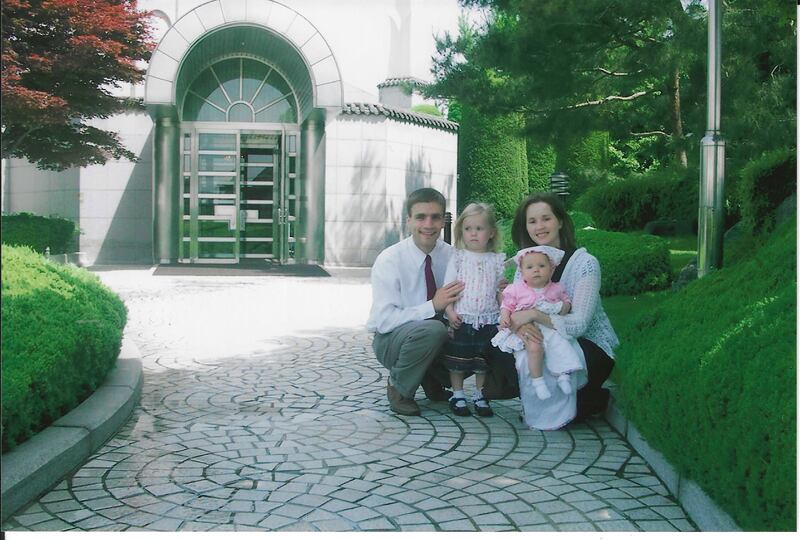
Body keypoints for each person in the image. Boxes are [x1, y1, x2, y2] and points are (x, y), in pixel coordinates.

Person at [483, 192, 619, 425]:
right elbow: (516, 307)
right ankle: (543, 399)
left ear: (560, 221)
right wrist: (519, 326)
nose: (539, 227)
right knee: (500, 348)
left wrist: (535, 315)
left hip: (588, 345)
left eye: (546, 218)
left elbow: (579, 325)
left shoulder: (585, 264)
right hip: (542, 339)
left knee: (575, 413)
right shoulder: (527, 262)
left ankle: (589, 398)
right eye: (532, 221)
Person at [367, 187, 464, 416]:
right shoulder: (390, 260)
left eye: (435, 217)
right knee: (433, 329)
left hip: (437, 334)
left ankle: (430, 379)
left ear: (443, 221)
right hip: (392, 341)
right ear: (409, 220)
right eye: (421, 217)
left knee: (477, 332)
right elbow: (384, 320)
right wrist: (432, 305)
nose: (428, 224)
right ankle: (399, 388)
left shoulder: (453, 256)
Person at [492, 246, 587, 429]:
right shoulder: (517, 289)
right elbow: (507, 305)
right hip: (529, 329)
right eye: (530, 267)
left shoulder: (556, 288)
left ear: (551, 269)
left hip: (550, 327)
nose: (536, 270)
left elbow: (566, 303)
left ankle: (563, 376)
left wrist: (563, 308)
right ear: (522, 272)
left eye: (541, 266)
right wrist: (505, 317)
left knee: (561, 347)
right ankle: (538, 380)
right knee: (535, 349)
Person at [441, 203, 506, 418]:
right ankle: (458, 394)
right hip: (463, 317)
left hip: (488, 319)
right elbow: (448, 289)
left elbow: (499, 291)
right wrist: (450, 312)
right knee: (457, 359)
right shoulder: (458, 258)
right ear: (461, 231)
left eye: (479, 229)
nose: (473, 234)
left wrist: (504, 307)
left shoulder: (496, 260)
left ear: (491, 233)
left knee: (482, 362)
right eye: (468, 229)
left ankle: (480, 394)